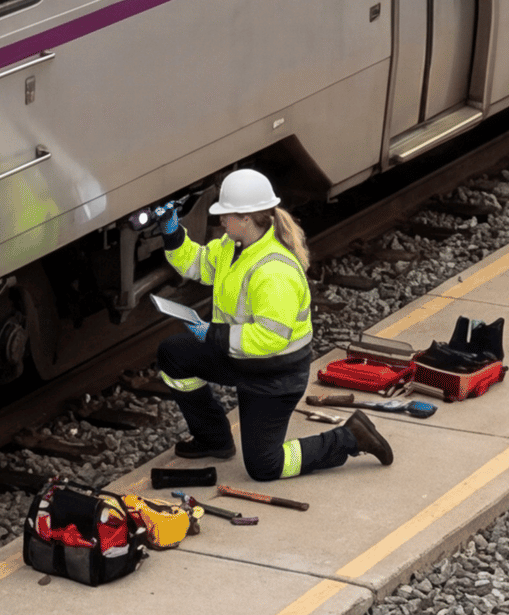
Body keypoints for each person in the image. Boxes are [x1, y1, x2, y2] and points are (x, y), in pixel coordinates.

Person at [156, 168, 393, 482]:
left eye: (225, 216)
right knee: (173, 354)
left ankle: (349, 437)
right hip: (239, 355)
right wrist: (173, 233)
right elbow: (196, 263)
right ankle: (213, 439)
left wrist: (212, 333)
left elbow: (271, 338)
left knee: (265, 466)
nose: (220, 222)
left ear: (247, 218)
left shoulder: (274, 271)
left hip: (273, 374)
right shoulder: (232, 246)